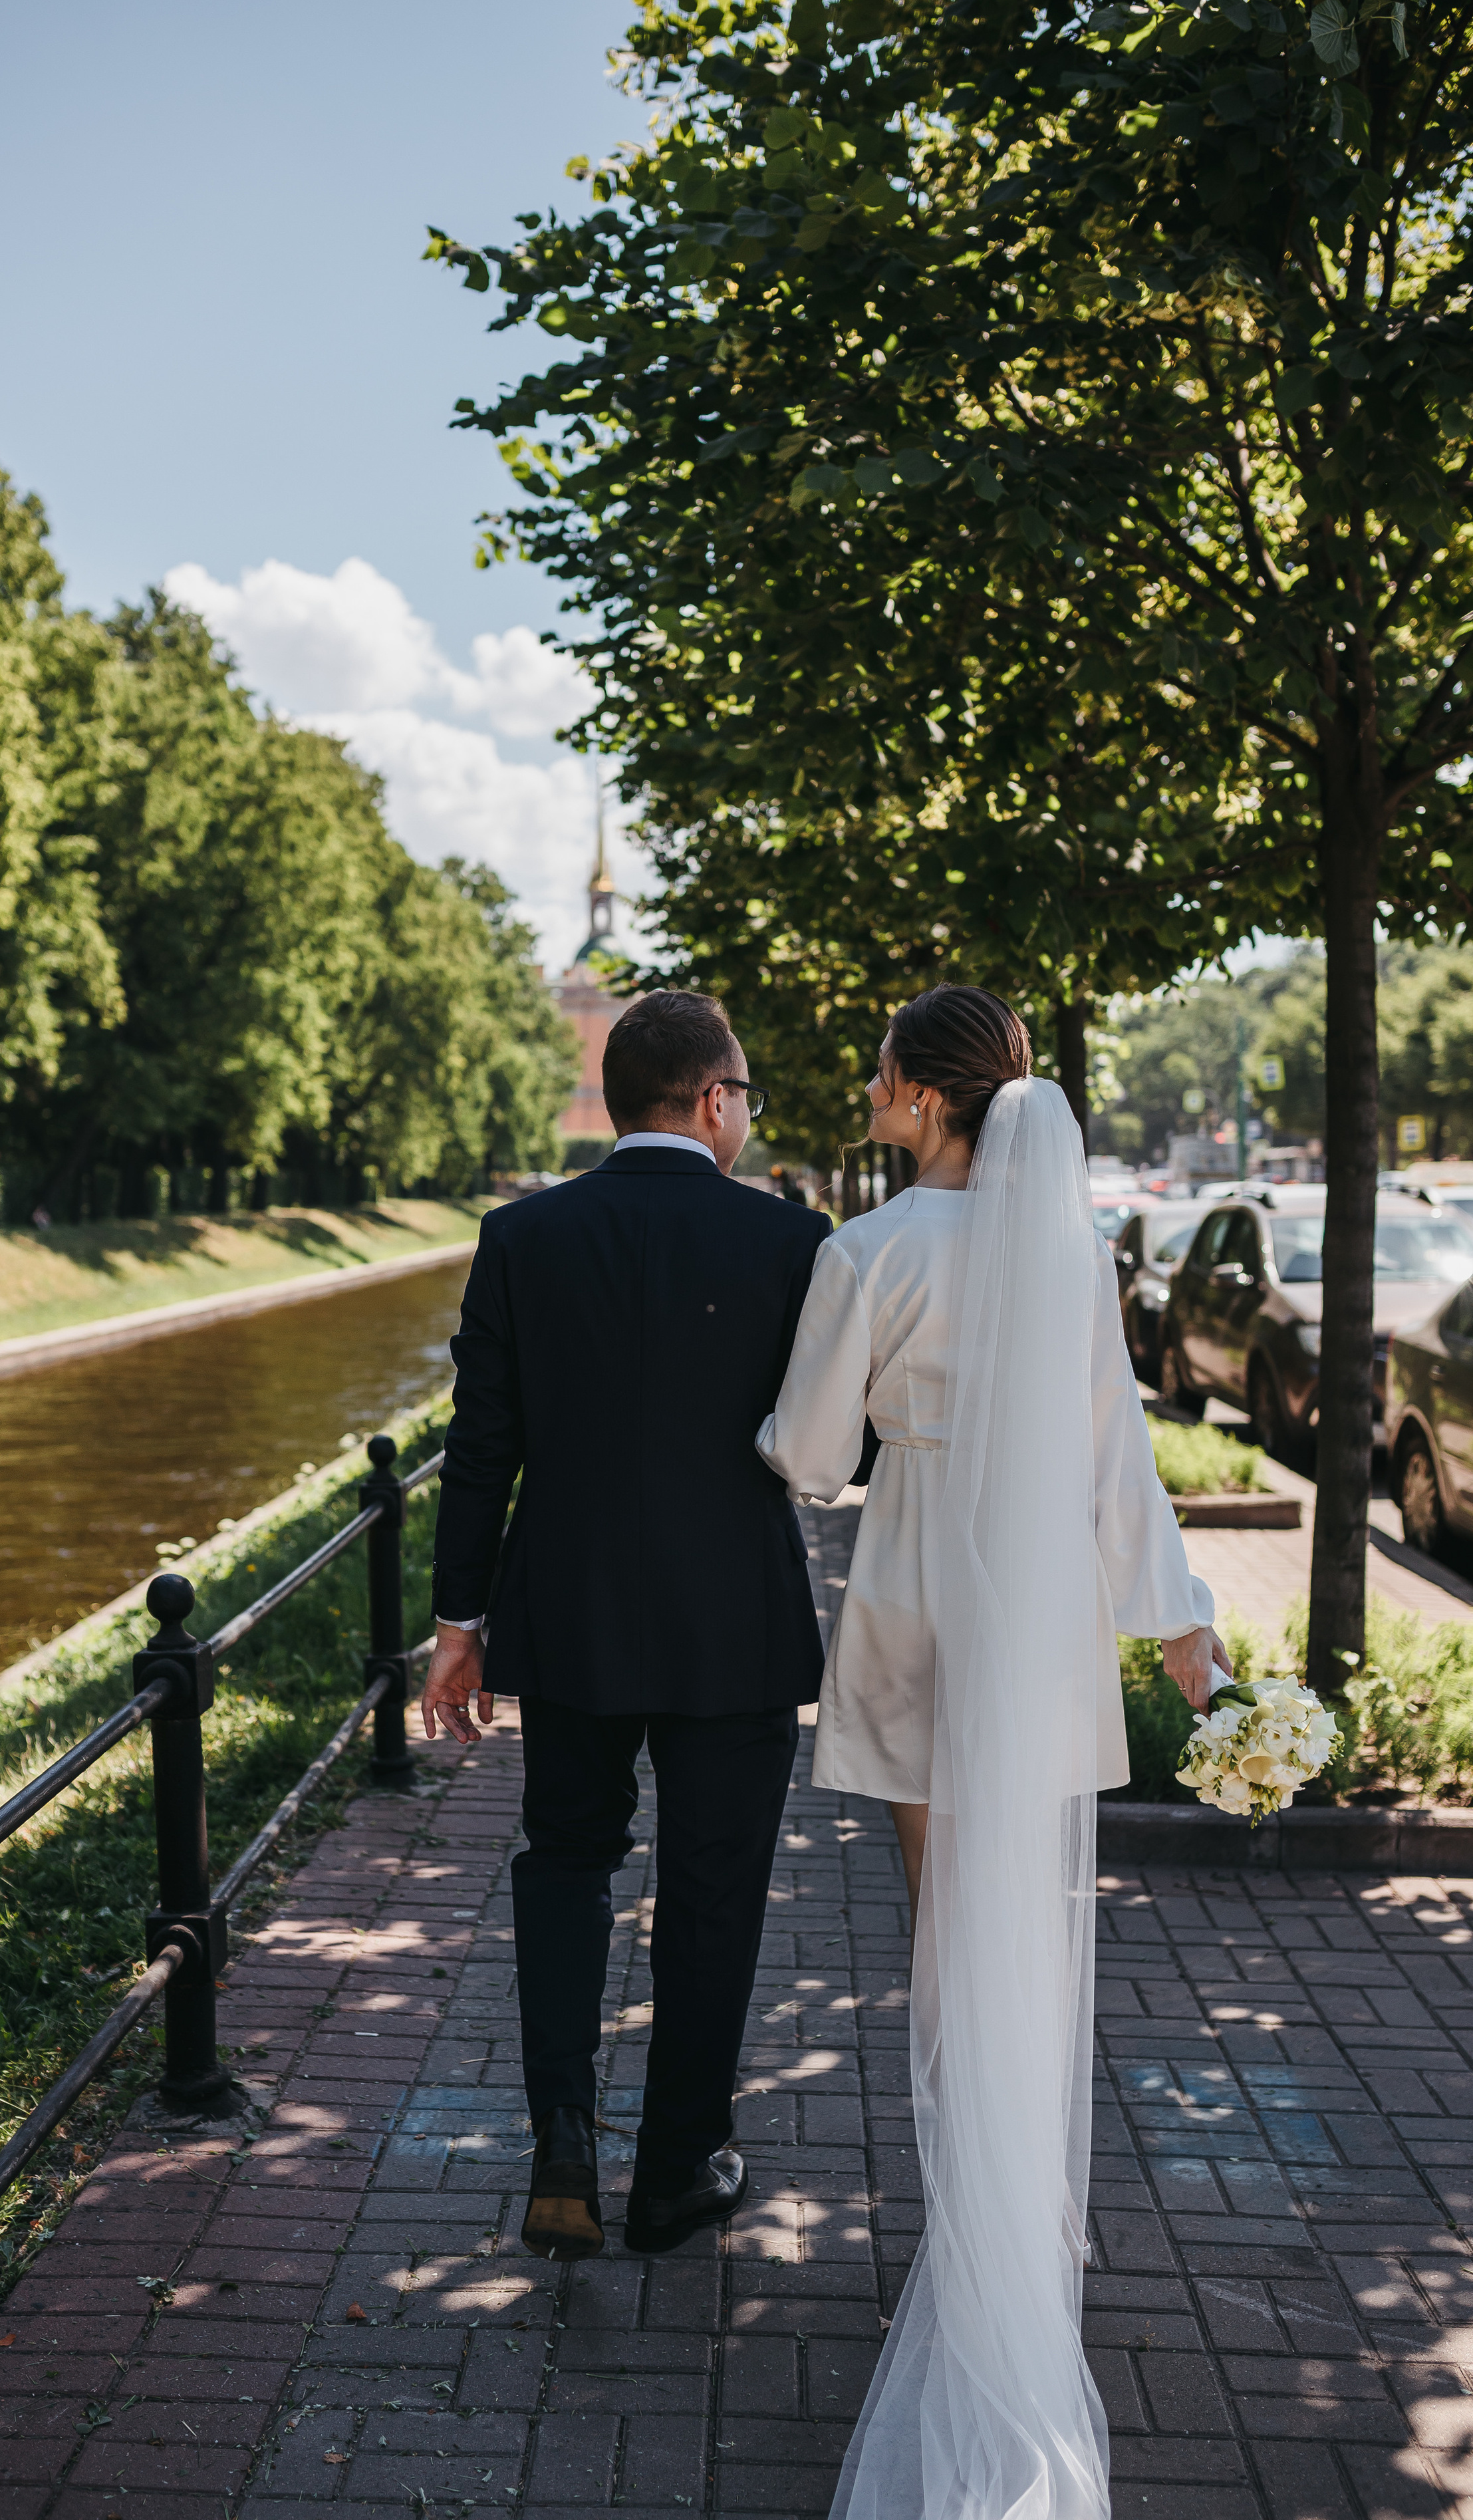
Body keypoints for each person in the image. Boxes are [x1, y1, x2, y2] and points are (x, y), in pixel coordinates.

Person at [757, 984, 1230, 2520]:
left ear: (922, 1098)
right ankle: (1029, 2222)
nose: (870, 1090)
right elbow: (1114, 1458)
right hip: (1029, 1611)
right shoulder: (1061, 1252)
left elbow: (814, 1462)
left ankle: (980, 2236)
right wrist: (1182, 1634)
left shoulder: (863, 1251)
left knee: (942, 1935)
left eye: (883, 1074)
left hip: (909, 1598)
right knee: (1019, 1923)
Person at [421, 988, 831, 2260]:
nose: (748, 1120)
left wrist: (456, 1624)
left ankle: (559, 2142)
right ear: (714, 1101)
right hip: (733, 1628)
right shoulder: (793, 1243)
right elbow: (832, 1445)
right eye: (746, 1098)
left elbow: (480, 1447)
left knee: (565, 1861)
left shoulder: (522, 1236)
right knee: (716, 1891)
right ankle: (673, 2172)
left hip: (576, 1619)